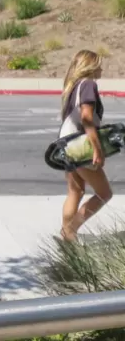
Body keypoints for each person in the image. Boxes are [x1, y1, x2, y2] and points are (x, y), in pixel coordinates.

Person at [59, 49, 112, 242]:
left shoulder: (73, 86)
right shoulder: (89, 84)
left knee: (76, 191)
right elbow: (86, 117)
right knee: (104, 193)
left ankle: (67, 236)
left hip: (67, 144)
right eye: (99, 65)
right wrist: (97, 149)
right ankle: (70, 231)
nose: (101, 69)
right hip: (81, 147)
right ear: (91, 67)